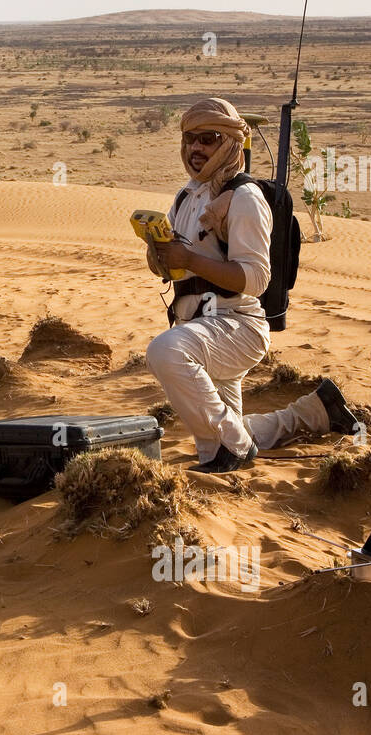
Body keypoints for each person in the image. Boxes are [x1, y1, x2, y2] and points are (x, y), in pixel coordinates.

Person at [144, 97, 358, 473]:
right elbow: (181, 269)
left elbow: (257, 280)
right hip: (198, 324)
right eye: (190, 138)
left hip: (235, 326)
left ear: (228, 143)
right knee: (221, 436)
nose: (196, 147)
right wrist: (161, 255)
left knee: (166, 354)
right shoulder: (187, 195)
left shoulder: (245, 199)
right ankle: (317, 411)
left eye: (207, 138)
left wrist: (190, 259)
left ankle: (238, 448)